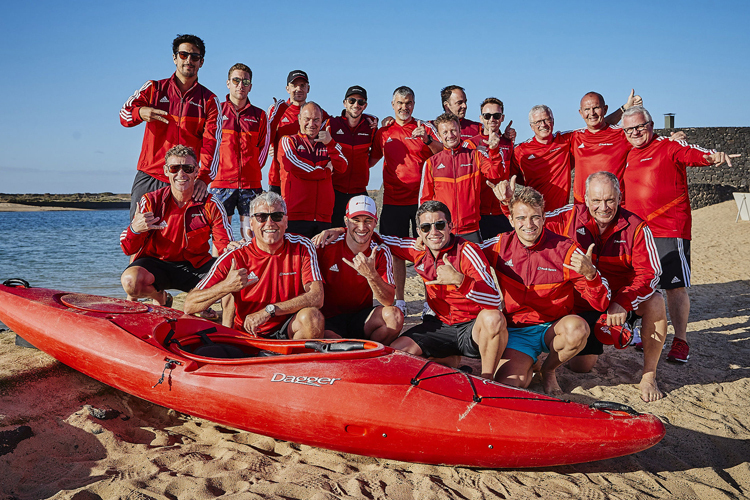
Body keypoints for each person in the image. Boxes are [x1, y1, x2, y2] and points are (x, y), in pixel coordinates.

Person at [622, 106, 740, 363]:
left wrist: (712, 157)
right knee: (644, 285)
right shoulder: (627, 153)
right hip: (638, 233)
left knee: (674, 287)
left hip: (669, 229)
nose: (635, 132)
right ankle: (649, 335)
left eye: (640, 126)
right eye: (630, 129)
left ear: (651, 125)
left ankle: (681, 340)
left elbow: (694, 153)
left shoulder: (668, 146)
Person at [545, 171, 667, 402]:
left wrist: (622, 301)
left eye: (610, 200)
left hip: (620, 301)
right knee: (582, 367)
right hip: (583, 303)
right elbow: (531, 222)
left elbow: (650, 275)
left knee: (656, 301)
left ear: (620, 197)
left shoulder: (637, 227)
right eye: (597, 200)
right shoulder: (568, 217)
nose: (604, 207)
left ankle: (649, 375)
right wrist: (506, 202)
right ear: (585, 199)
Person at [481, 186, 611, 394]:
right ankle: (530, 362)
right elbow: (463, 252)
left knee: (578, 329)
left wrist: (591, 275)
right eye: (521, 218)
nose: (529, 224)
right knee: (510, 385)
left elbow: (601, 303)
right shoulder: (499, 245)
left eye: (535, 217)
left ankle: (549, 370)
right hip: (519, 331)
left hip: (554, 328)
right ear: (511, 220)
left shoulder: (565, 249)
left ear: (543, 217)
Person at [380, 201, 508, 380]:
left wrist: (459, 280)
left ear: (450, 226)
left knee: (493, 318)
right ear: (419, 231)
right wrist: (342, 230)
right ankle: (449, 360)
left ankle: (487, 379)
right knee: (397, 354)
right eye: (426, 227)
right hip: (439, 324)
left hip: (472, 329)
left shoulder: (469, 251)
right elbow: (378, 238)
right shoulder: (418, 250)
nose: (433, 232)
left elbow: (494, 299)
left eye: (439, 225)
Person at [184, 192, 325, 339]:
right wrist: (226, 286)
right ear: (251, 223)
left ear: (286, 221)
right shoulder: (235, 255)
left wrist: (269, 311)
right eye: (261, 217)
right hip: (248, 332)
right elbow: (189, 305)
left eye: (276, 216)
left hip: (286, 326)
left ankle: (299, 360)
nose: (270, 223)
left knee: (313, 317)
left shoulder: (302, 247)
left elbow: (316, 297)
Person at [120, 34, 221, 221]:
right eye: (183, 55)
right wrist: (140, 112)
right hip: (150, 175)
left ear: (202, 62)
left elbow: (212, 144)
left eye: (195, 57)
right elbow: (124, 115)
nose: (189, 60)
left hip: (185, 179)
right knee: (139, 233)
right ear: (175, 58)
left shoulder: (209, 101)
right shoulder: (154, 89)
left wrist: (204, 179)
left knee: (182, 240)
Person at [120, 145, 232, 308]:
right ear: (166, 171)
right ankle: (160, 297)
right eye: (174, 168)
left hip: (196, 266)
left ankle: (225, 323)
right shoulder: (151, 201)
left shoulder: (211, 204)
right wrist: (135, 229)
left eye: (187, 168)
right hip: (158, 264)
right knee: (130, 282)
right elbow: (127, 249)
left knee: (232, 276)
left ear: (196, 171)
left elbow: (224, 247)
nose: (181, 174)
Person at [370, 86, 441, 315]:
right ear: (393, 105)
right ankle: (400, 300)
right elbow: (368, 160)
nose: (404, 107)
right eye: (400, 103)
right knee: (395, 253)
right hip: (392, 201)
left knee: (429, 250)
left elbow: (442, 153)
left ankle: (430, 301)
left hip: (422, 201)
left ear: (414, 104)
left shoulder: (424, 128)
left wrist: (428, 139)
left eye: (408, 102)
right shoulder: (384, 132)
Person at [317, 195, 403, 343]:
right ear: (346, 221)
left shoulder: (380, 251)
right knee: (329, 338)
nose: (362, 227)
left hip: (362, 318)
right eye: (356, 220)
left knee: (395, 316)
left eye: (368, 221)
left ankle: (370, 354)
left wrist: (371, 275)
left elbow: (388, 300)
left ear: (375, 222)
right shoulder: (326, 246)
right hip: (329, 319)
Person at [419, 112, 506, 243]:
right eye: (445, 132)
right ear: (439, 135)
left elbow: (495, 174)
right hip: (443, 230)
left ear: (460, 130)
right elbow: (425, 201)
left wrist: (494, 150)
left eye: (453, 130)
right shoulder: (432, 163)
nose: (450, 135)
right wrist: (423, 232)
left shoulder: (475, 156)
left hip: (471, 230)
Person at [210, 63, 269, 241]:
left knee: (251, 234)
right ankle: (220, 268)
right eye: (236, 80)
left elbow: (263, 149)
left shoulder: (259, 115)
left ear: (250, 86)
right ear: (228, 83)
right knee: (221, 236)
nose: (240, 85)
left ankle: (250, 268)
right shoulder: (216, 111)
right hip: (221, 183)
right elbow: (207, 145)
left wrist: (251, 170)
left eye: (245, 81)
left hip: (250, 185)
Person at [278, 102, 348, 238]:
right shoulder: (288, 141)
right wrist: (326, 172)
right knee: (296, 259)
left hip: (324, 218)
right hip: (295, 217)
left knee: (321, 258)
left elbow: (343, 166)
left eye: (316, 120)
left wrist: (330, 143)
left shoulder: (328, 144)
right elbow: (295, 166)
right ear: (299, 120)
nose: (312, 124)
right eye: (307, 119)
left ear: (321, 121)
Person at [569, 90, 643, 203]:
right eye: (587, 109)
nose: (592, 113)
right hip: (583, 207)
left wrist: (676, 138)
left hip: (614, 206)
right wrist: (623, 108)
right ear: (580, 112)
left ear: (605, 109)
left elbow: (647, 138)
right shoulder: (574, 137)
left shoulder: (622, 133)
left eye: (596, 108)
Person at [266, 70, 329, 195]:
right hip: (277, 177)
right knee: (278, 214)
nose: (298, 89)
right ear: (287, 88)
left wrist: (369, 120)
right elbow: (265, 137)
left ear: (308, 89)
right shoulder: (276, 109)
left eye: (302, 85)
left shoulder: (317, 112)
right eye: (294, 85)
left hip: (305, 177)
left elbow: (339, 125)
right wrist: (269, 147)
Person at [327, 86, 379, 227]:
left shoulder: (371, 127)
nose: (356, 105)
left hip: (359, 191)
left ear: (365, 106)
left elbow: (375, 154)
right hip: (334, 189)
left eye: (360, 102)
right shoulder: (332, 124)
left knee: (361, 233)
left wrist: (362, 167)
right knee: (332, 233)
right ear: (345, 103)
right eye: (352, 101)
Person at [463, 97, 515, 238]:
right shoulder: (471, 144)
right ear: (481, 118)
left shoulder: (508, 143)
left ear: (502, 118)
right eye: (487, 115)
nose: (492, 119)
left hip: (503, 210)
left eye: (496, 115)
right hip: (480, 213)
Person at [509, 105, 575, 213]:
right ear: (531, 126)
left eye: (546, 120)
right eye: (538, 122)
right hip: (535, 212)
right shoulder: (521, 150)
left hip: (561, 212)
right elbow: (510, 175)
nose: (543, 125)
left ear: (553, 121)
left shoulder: (565, 140)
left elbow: (593, 129)